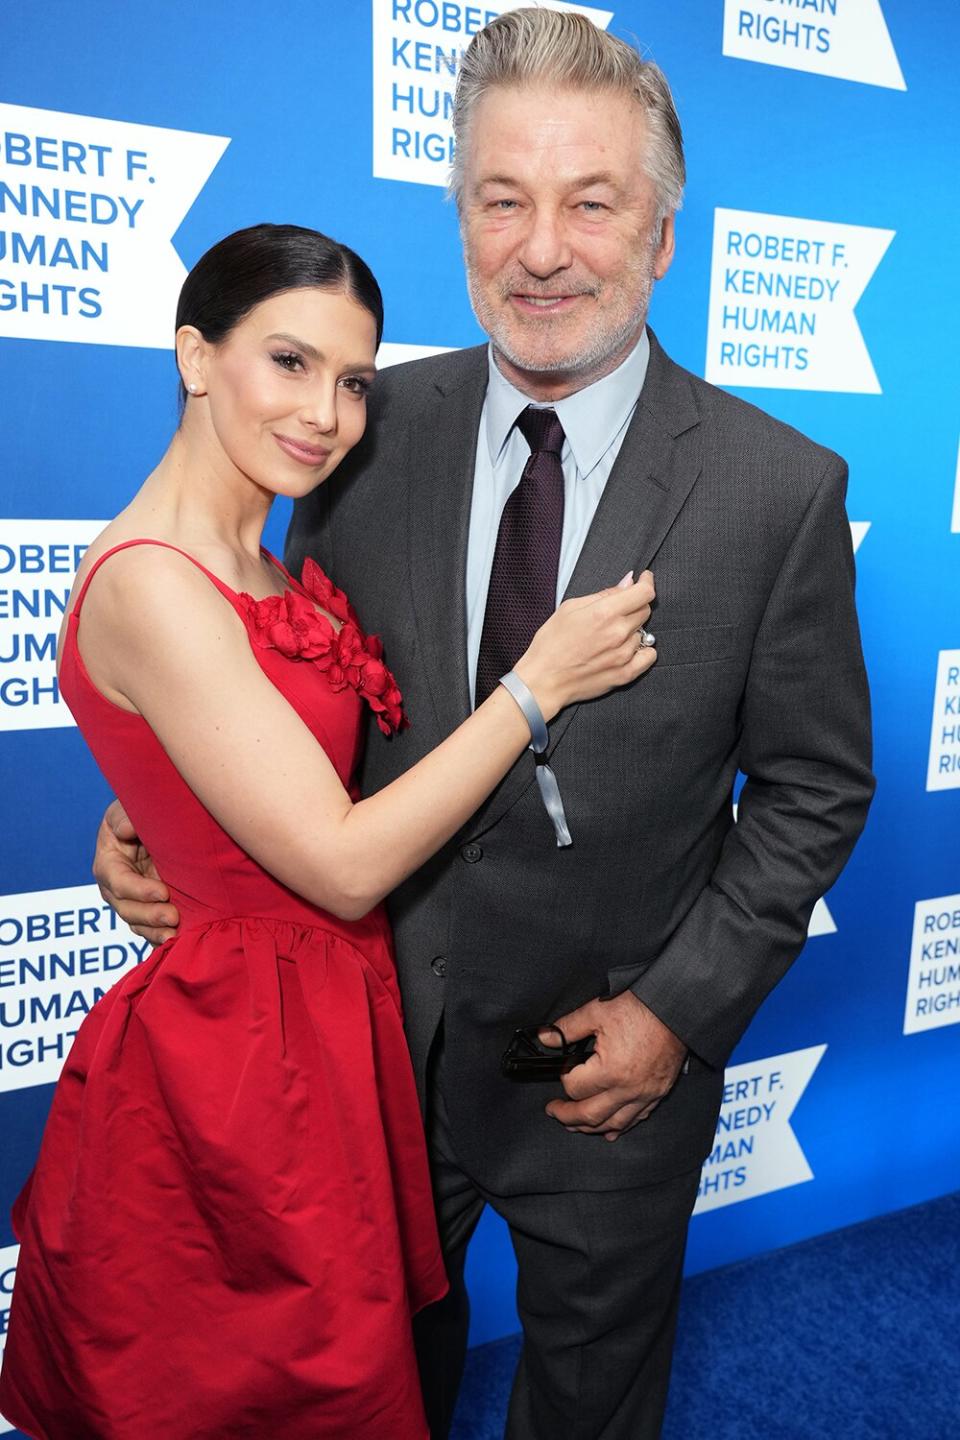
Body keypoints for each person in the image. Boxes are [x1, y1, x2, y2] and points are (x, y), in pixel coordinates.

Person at [94, 10, 875, 1440]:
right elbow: (283, 666)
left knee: (590, 1405)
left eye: (591, 201)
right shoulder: (353, 429)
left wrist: (672, 1019)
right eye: (501, 200)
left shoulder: (781, 489)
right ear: (459, 212)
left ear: (662, 231)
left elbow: (818, 789)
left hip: (612, 1078)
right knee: (383, 1392)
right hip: (367, 1057)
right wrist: (160, 807)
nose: (541, 248)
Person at [0, 222, 657, 1440]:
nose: (329, 413)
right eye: (289, 363)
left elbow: (242, 753)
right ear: (195, 355)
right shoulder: (152, 580)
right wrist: (538, 684)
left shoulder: (264, 555)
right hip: (240, 1059)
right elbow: (345, 862)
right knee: (254, 1390)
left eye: (354, 380)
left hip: (330, 1026)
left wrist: (150, 806)